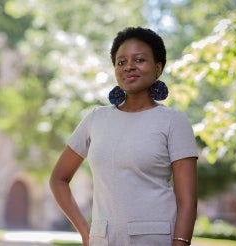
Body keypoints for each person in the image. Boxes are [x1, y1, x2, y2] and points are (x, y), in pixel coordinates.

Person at [49, 26, 198, 246]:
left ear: (158, 68)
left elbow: (187, 201)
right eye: (121, 62)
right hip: (103, 240)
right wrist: (86, 232)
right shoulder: (95, 118)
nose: (129, 66)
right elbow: (58, 179)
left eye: (139, 60)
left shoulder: (173, 121)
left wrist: (180, 243)